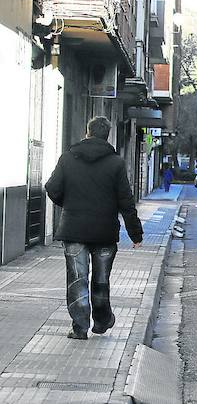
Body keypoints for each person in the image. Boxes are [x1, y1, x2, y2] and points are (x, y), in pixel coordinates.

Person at [45, 116, 143, 340]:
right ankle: (102, 321)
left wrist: (67, 204)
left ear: (87, 132)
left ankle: (80, 328)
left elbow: (52, 187)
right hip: (104, 232)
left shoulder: (68, 158)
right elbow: (126, 201)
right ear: (107, 135)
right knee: (101, 280)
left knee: (77, 280)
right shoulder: (116, 163)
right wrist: (135, 234)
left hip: (74, 229)